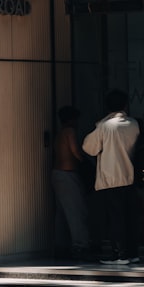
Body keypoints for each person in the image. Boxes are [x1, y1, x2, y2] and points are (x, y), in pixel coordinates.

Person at [82, 90, 141, 265]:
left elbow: (89, 148)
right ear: (125, 105)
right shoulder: (134, 124)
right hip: (130, 177)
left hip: (111, 178)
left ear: (107, 106)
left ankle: (119, 254)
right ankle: (132, 253)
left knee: (115, 218)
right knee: (131, 217)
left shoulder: (105, 126)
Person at [51, 106, 92, 261]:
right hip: (68, 175)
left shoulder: (59, 133)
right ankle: (80, 246)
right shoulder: (70, 132)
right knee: (76, 211)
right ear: (72, 119)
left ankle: (61, 247)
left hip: (57, 174)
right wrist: (88, 164)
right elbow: (75, 152)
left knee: (62, 213)